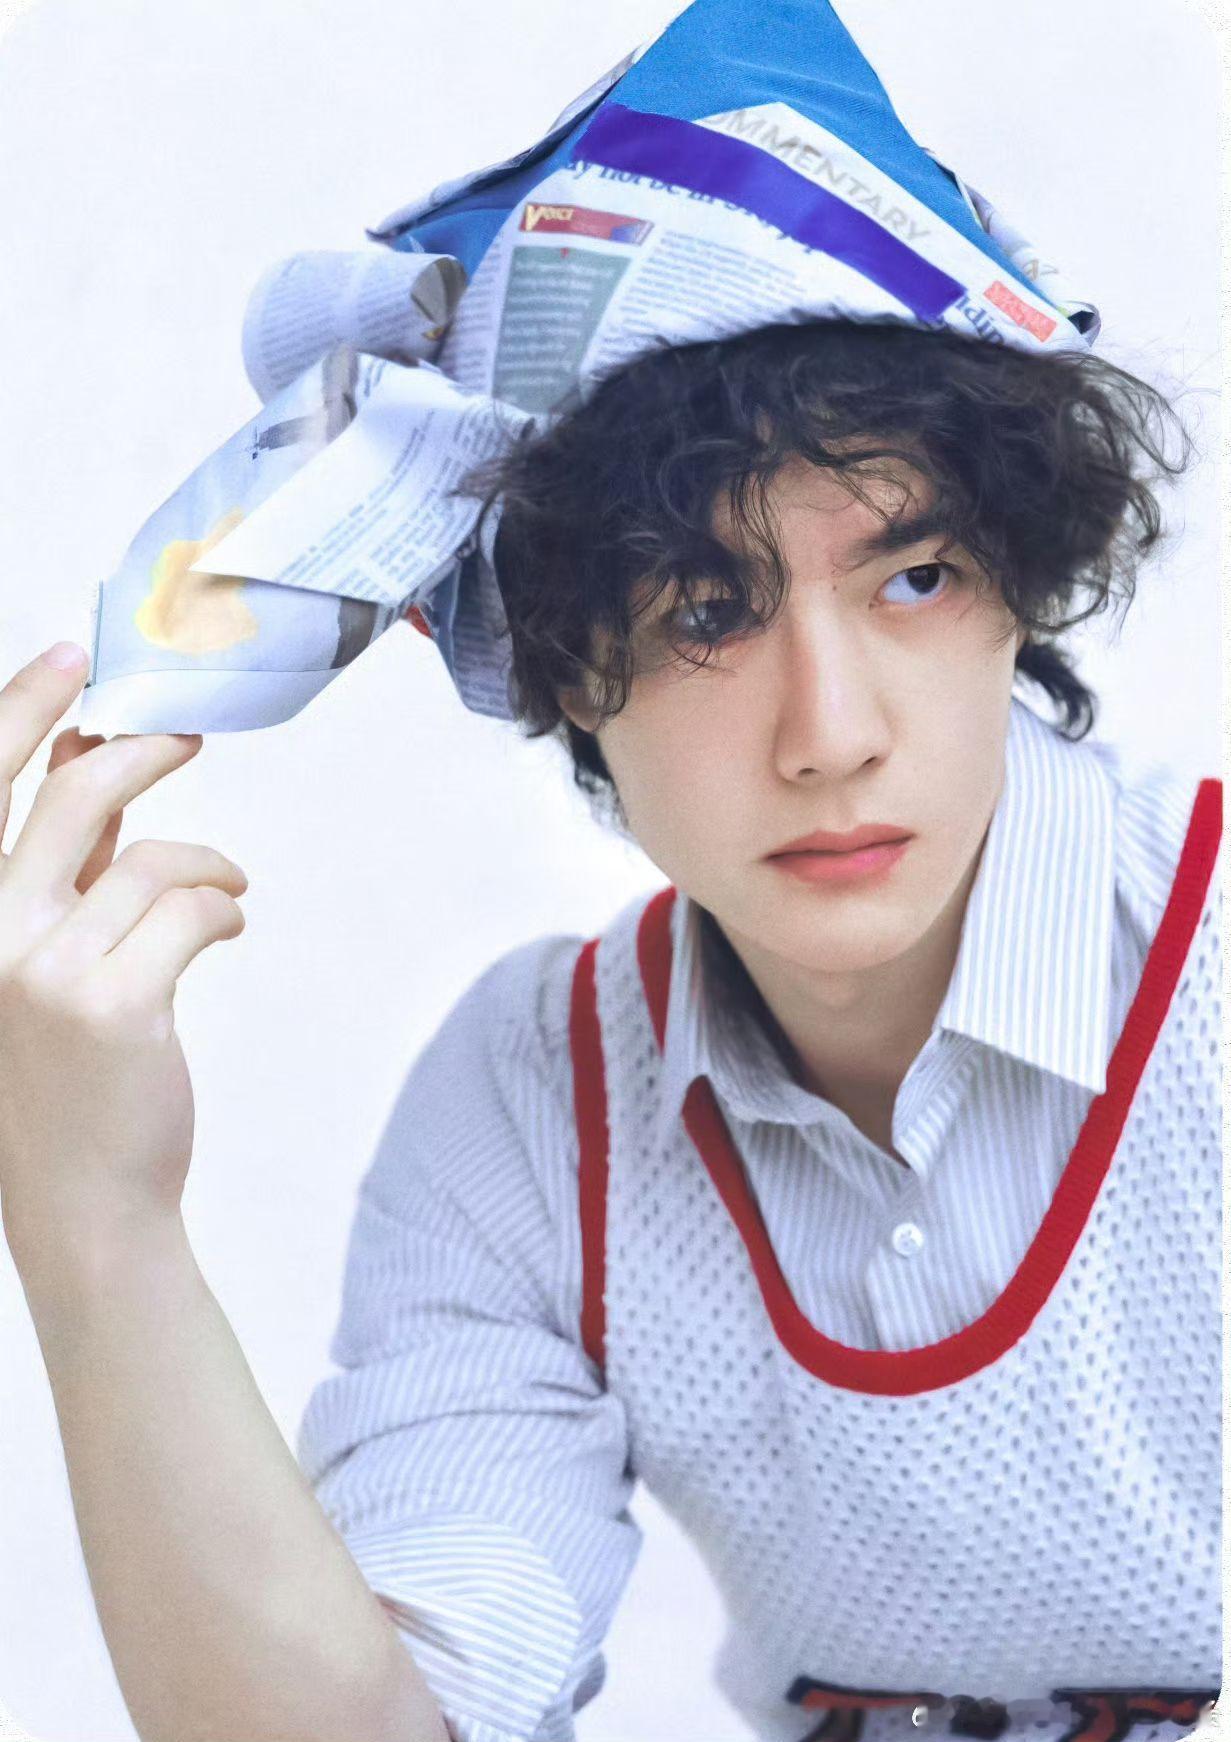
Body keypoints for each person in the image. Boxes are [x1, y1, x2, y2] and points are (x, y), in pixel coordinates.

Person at [0, 14, 1220, 1742]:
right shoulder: (538, 1103)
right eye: (708, 609)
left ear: (1020, 587)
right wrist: (93, 1220)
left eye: (916, 574)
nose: (831, 733)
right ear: (566, 664)